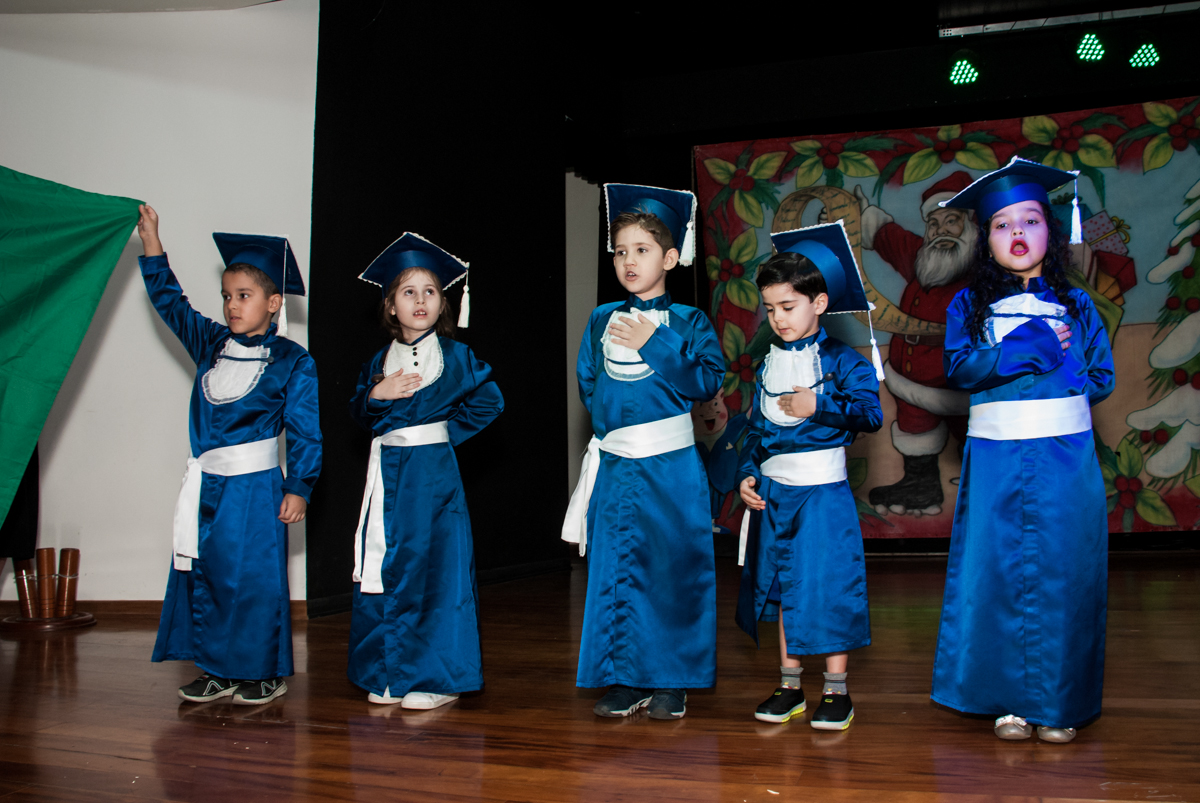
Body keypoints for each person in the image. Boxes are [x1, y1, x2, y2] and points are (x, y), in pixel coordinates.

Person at [930, 157, 1115, 743]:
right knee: (998, 573)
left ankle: (1058, 703)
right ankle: (1010, 699)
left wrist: (1065, 380)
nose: (1017, 234)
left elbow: (1101, 377)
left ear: (1049, 233)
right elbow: (960, 369)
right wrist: (1030, 344)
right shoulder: (968, 308)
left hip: (1063, 456)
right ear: (986, 240)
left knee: (1066, 575)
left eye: (1030, 221)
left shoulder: (1080, 307)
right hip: (996, 461)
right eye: (1002, 224)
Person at [136, 205, 322, 705]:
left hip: (256, 487)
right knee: (211, 576)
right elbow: (171, 303)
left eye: (244, 296)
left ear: (274, 302)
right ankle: (217, 668)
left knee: (255, 581)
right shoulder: (211, 344)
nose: (232, 306)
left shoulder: (292, 361)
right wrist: (152, 241)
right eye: (226, 296)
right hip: (207, 486)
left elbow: (306, 432)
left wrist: (299, 486)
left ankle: (260, 670)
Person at [562, 183, 724, 720]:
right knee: (615, 570)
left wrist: (651, 342)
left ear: (671, 257)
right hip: (617, 465)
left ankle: (673, 678)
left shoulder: (691, 322)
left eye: (643, 250)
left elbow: (705, 380)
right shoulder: (600, 318)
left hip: (672, 466)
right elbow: (590, 383)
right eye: (620, 251)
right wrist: (615, 431)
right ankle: (626, 676)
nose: (629, 261)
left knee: (674, 567)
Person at [736, 221, 884, 730]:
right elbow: (755, 432)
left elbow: (869, 414)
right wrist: (749, 475)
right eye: (770, 308)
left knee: (828, 586)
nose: (778, 318)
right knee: (782, 587)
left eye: (789, 306)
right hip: (777, 496)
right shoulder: (764, 366)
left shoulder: (844, 361)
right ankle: (789, 685)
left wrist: (817, 405)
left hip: (823, 496)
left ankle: (836, 690)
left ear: (819, 303)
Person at [348, 233, 503, 710]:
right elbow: (358, 412)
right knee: (387, 568)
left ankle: (436, 677)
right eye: (408, 292)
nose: (420, 300)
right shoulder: (379, 362)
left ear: (444, 303)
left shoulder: (456, 358)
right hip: (389, 477)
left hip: (435, 482)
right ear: (391, 305)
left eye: (430, 291)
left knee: (437, 572)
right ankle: (390, 671)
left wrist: (441, 438)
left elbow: (490, 401)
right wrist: (377, 394)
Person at [853, 174, 975, 517]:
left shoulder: (985, 272)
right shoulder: (923, 259)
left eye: (951, 220)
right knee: (915, 424)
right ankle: (921, 486)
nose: (940, 230)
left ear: (971, 223)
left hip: (960, 380)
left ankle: (984, 483)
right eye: (933, 223)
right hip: (911, 380)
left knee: (972, 432)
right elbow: (888, 237)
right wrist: (852, 219)